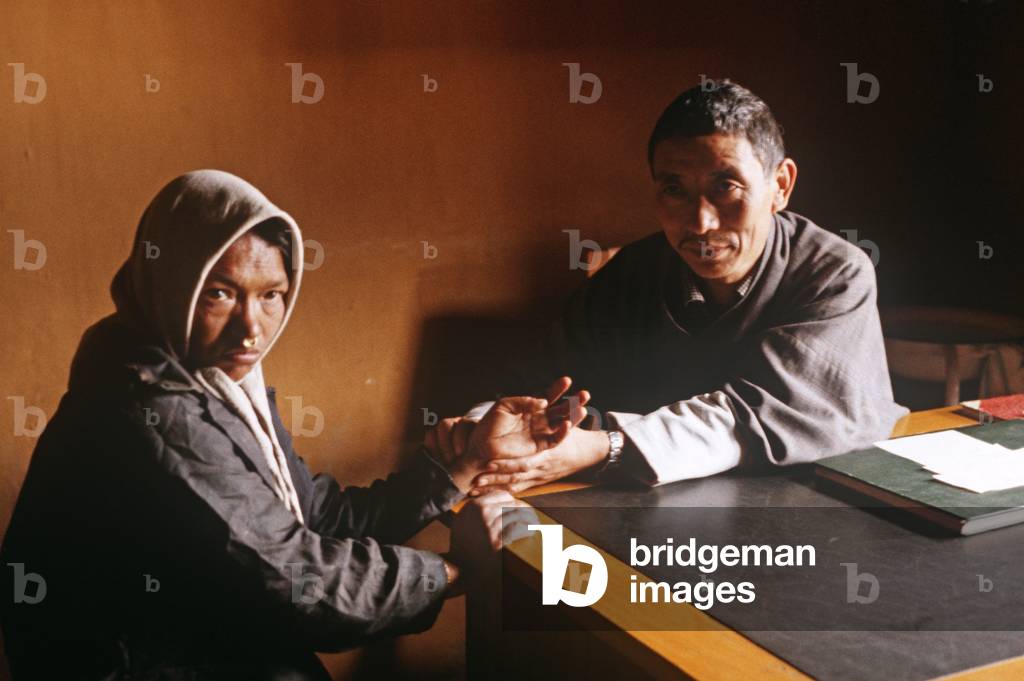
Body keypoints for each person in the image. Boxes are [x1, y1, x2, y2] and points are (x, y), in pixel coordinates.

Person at [0, 170, 585, 680]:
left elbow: (315, 519)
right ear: (170, 281)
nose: (250, 329)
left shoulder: (213, 380)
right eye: (221, 294)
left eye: (272, 295)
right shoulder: (154, 410)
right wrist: (457, 572)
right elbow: (300, 586)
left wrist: (462, 467)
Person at [451, 80, 909, 494]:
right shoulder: (635, 271)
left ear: (780, 185)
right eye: (675, 190)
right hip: (665, 501)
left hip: (811, 501)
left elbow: (754, 416)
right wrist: (479, 428)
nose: (701, 222)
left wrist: (602, 447)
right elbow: (537, 386)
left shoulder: (832, 273)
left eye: (726, 186)